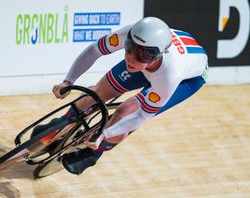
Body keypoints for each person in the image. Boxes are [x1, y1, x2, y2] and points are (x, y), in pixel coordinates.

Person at [37, 17, 208, 175]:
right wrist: (68, 81)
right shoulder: (132, 34)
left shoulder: (170, 75)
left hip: (188, 79)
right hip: (157, 65)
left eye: (143, 55)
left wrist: (105, 135)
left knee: (125, 112)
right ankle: (62, 122)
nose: (131, 59)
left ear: (157, 55)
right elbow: (94, 50)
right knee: (97, 93)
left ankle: (93, 153)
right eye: (129, 49)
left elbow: (142, 116)